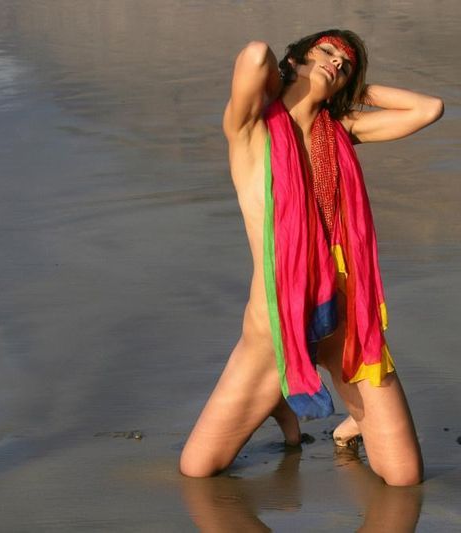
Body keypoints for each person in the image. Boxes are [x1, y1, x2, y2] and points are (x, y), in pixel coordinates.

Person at [179, 29, 443, 487]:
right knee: (198, 470)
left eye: (345, 66)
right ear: (298, 58)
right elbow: (255, 55)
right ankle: (280, 394)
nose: (335, 64)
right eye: (326, 53)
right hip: (272, 333)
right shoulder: (249, 129)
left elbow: (428, 109)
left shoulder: (341, 130)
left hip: (348, 328)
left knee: (403, 478)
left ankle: (349, 420)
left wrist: (350, 89)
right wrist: (296, 70)